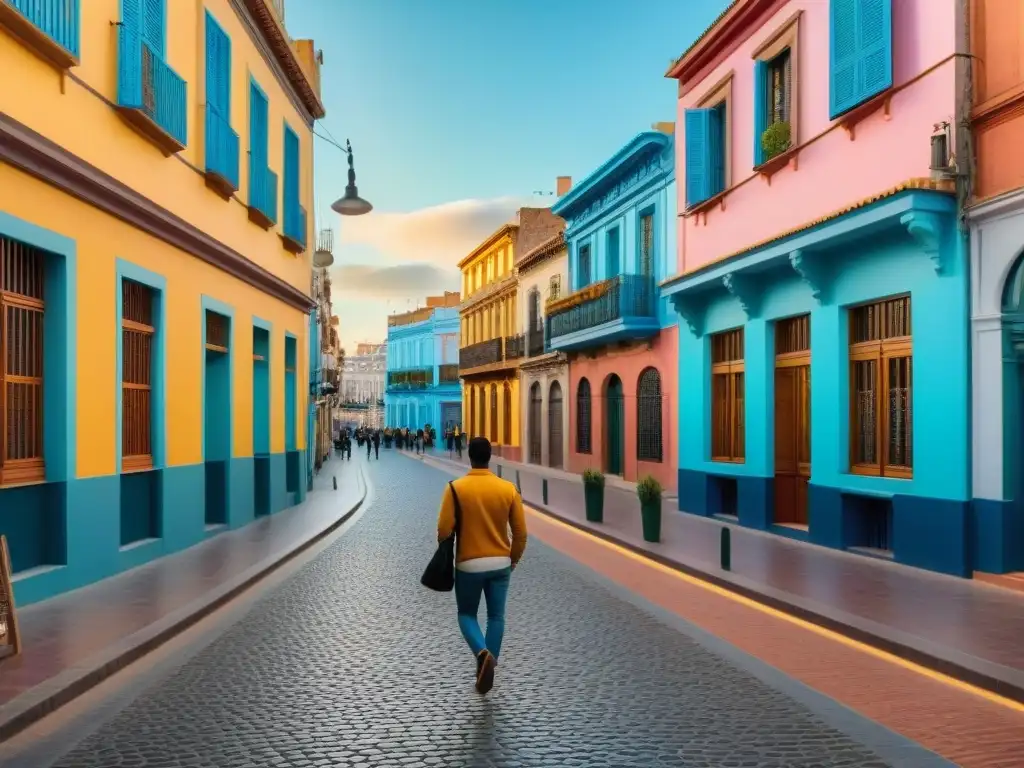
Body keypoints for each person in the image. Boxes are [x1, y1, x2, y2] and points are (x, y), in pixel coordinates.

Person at [436, 437, 527, 695]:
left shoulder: (455, 488)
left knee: (466, 614)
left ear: (469, 456)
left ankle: (482, 652)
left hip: (468, 564)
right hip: (500, 563)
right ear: (490, 457)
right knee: (496, 617)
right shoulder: (508, 489)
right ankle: (489, 664)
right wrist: (512, 560)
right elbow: (520, 534)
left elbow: (443, 529)